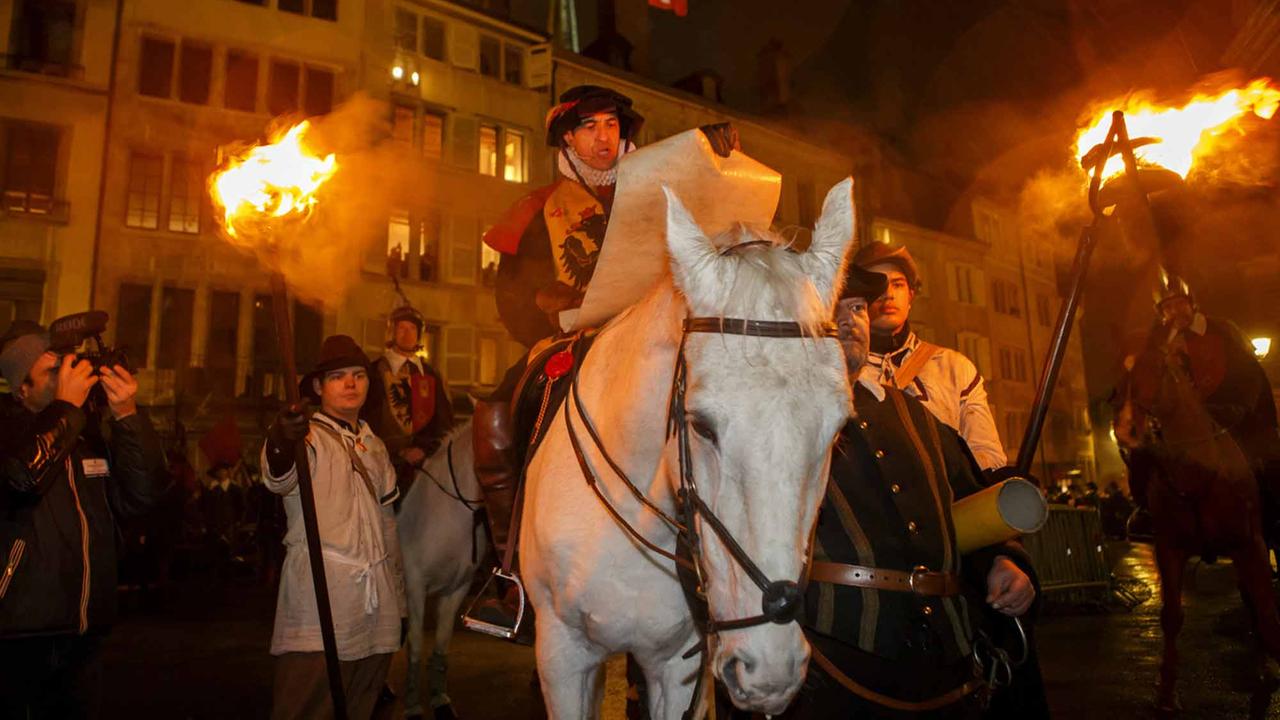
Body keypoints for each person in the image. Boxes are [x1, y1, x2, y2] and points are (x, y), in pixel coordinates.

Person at [782, 264, 1037, 719]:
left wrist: (1005, 561)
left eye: (858, 307)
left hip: (947, 663)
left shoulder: (923, 422)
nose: (848, 320)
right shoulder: (778, 421)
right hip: (837, 664)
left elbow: (967, 513)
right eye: (830, 309)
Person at [0, 320, 165, 719]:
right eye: (51, 372)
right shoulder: (8, 430)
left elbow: (143, 496)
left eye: (66, 367)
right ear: (21, 387)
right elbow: (23, 479)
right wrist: (66, 408)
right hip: (18, 634)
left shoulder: (84, 433)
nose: (66, 378)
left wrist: (126, 413)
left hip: (86, 628)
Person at [261, 335, 407, 720]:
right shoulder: (305, 437)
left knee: (361, 709)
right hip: (319, 603)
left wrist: (400, 603)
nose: (351, 383)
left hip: (377, 610)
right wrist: (280, 437)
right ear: (317, 387)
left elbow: (387, 527)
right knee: (305, 709)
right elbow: (278, 475)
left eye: (358, 375)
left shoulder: (374, 444)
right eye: (338, 376)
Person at [853, 243, 1007, 471]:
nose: (888, 294)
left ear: (911, 296)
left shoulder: (955, 368)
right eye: (877, 284)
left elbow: (989, 458)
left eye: (897, 284)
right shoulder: (838, 373)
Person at [363, 305, 454, 499]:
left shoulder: (431, 375)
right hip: (381, 466)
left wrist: (423, 449)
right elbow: (364, 421)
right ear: (392, 332)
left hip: (423, 470)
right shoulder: (374, 372)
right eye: (402, 328)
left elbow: (444, 424)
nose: (407, 334)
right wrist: (395, 452)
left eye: (412, 329)